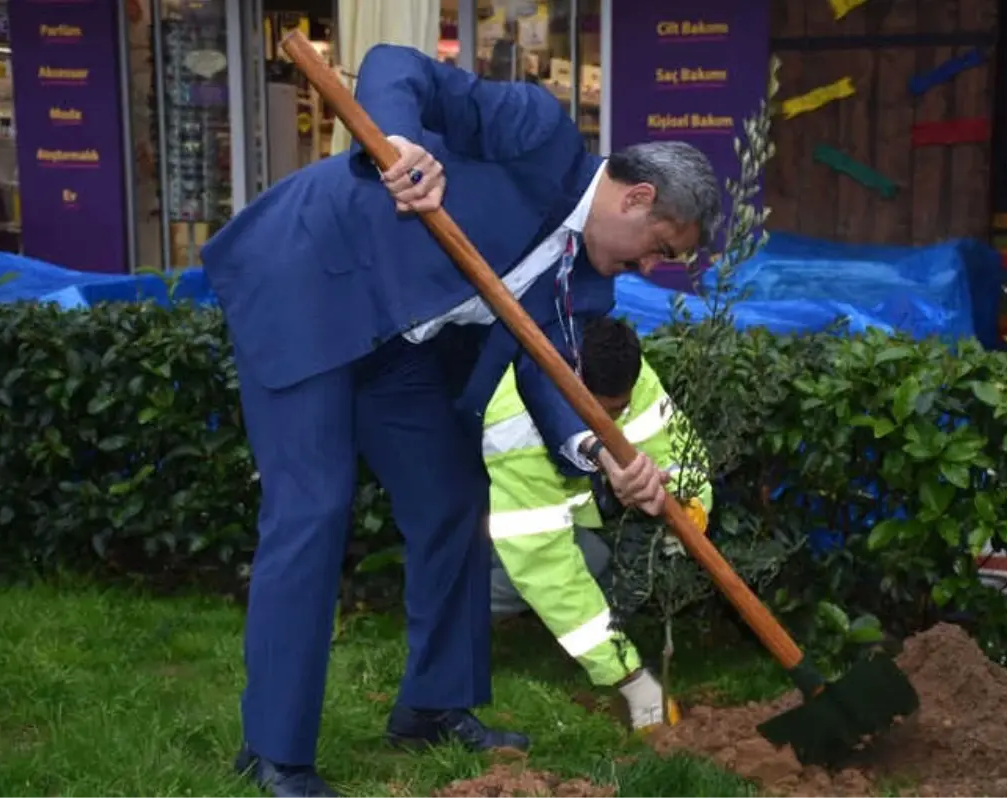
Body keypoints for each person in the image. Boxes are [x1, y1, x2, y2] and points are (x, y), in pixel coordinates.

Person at [198, 42, 721, 798]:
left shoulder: (589, 289)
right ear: (636, 198)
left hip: (404, 350)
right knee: (311, 507)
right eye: (658, 251)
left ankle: (433, 707)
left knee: (452, 498)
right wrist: (401, 140)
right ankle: (275, 754)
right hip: (311, 287)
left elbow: (553, 377)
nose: (648, 269)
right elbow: (394, 64)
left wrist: (599, 453)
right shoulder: (537, 133)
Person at [484, 316, 713, 731]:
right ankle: (448, 612)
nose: (612, 421)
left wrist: (690, 502)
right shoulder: (520, 428)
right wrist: (630, 678)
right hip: (475, 509)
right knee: (549, 572)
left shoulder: (628, 374)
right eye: (600, 412)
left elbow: (675, 450)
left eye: (619, 410)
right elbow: (547, 567)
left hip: (541, 516)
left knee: (595, 557)